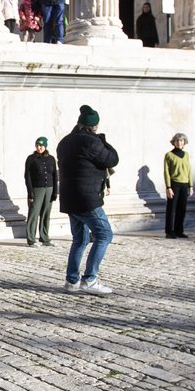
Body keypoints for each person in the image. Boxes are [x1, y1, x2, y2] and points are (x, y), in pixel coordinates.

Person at [57, 105, 119, 295]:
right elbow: (112, 159)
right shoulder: (92, 142)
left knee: (80, 239)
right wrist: (103, 140)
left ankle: (71, 281)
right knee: (104, 235)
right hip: (87, 199)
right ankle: (90, 279)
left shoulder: (65, 142)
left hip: (69, 199)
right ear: (94, 126)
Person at [23, 137, 57, 247]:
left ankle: (44, 238)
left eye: (41, 145)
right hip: (37, 189)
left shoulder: (51, 159)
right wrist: (30, 193)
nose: (39, 147)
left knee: (46, 214)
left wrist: (55, 191)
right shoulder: (31, 158)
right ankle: (31, 239)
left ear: (45, 146)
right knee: (34, 213)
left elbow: (55, 175)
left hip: (49, 189)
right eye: (37, 145)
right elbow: (27, 176)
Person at [163, 133, 194, 238]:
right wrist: (168, 187)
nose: (179, 143)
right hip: (174, 184)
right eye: (177, 140)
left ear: (184, 142)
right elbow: (166, 172)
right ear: (174, 142)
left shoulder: (186, 155)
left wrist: (191, 186)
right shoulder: (169, 155)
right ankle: (169, 231)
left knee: (182, 208)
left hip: (185, 184)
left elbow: (189, 170)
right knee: (171, 209)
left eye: (181, 140)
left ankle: (179, 230)